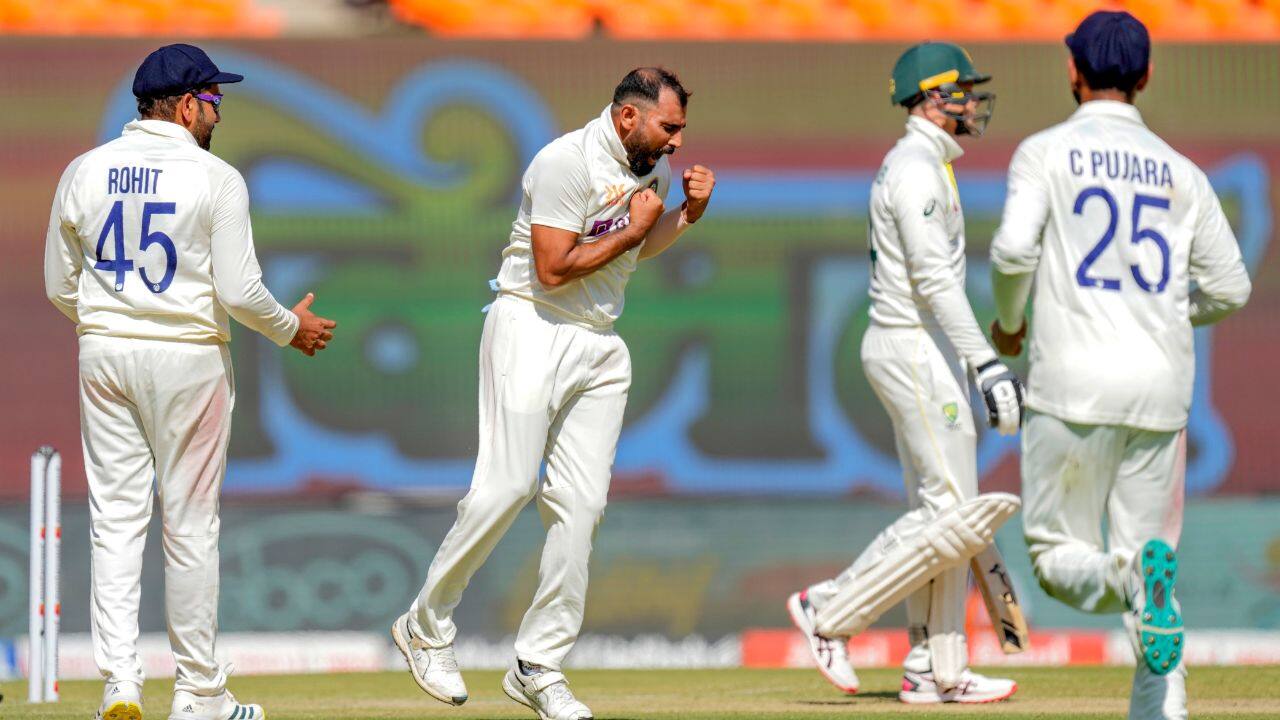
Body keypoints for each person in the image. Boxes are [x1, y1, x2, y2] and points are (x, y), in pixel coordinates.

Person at [391, 67, 715, 720]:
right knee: (508, 486)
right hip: (532, 325)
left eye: (681, 129)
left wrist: (685, 216)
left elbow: (632, 251)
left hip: (600, 343)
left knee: (581, 507)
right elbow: (553, 267)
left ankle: (537, 664)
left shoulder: (647, 166)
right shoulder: (564, 162)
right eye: (669, 126)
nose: (678, 142)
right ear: (628, 116)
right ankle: (424, 626)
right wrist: (633, 229)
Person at [43, 43, 336, 720]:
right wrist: (290, 329)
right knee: (191, 525)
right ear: (182, 106)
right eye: (212, 100)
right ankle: (199, 693)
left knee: (116, 521)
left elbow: (61, 285)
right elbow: (239, 291)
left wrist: (115, 322)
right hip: (188, 357)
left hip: (106, 354)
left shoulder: (83, 170)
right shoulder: (216, 178)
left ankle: (120, 685)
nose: (218, 113)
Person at [989, 11, 1251, 719]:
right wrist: (1164, 310)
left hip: (1071, 384)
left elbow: (1012, 252)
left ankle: (1132, 578)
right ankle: (1164, 703)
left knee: (1056, 559)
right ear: (1147, 76)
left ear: (1073, 70)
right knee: (1152, 564)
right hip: (1160, 390)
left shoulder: (1046, 152)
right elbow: (1231, 287)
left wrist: (1009, 323)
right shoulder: (1182, 173)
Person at [786, 42, 1021, 704]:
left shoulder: (926, 164)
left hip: (916, 347)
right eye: (961, 90)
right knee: (952, 513)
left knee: (945, 515)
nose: (972, 102)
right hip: (910, 346)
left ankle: (934, 668)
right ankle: (829, 608)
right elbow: (935, 282)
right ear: (930, 96)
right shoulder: (916, 169)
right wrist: (986, 364)